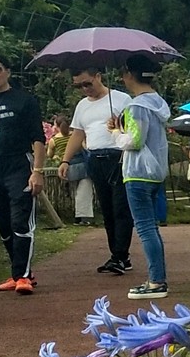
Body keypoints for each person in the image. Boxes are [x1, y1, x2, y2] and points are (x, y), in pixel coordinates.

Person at [0, 53, 46, 294]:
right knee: (4, 223)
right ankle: (19, 272)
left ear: (7, 72)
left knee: (20, 221)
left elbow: (38, 138)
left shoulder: (24, 101)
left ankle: (24, 276)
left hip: (19, 165)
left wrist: (37, 171)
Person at [59, 68, 133, 274]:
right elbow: (77, 134)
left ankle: (120, 254)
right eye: (79, 86)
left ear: (98, 77)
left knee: (120, 207)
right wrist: (65, 160)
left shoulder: (121, 99)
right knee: (107, 208)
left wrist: (119, 125)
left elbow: (135, 126)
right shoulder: (82, 106)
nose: (85, 89)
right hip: (94, 157)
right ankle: (117, 255)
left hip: (117, 155)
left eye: (87, 83)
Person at [113, 55, 171, 299]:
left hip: (137, 174)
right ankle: (157, 278)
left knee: (145, 228)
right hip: (155, 172)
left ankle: (156, 281)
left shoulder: (136, 106)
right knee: (152, 228)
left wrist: (117, 133)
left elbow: (134, 141)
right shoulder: (157, 103)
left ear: (129, 74)